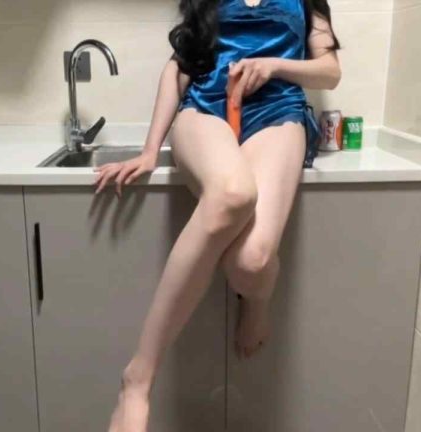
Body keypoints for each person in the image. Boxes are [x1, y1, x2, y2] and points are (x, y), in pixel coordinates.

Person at [95, 1, 341, 430]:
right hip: (205, 107)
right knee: (233, 193)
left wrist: (274, 65)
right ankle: (137, 379)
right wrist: (151, 150)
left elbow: (329, 72)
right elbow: (178, 69)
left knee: (251, 262)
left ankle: (256, 303)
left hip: (277, 111)